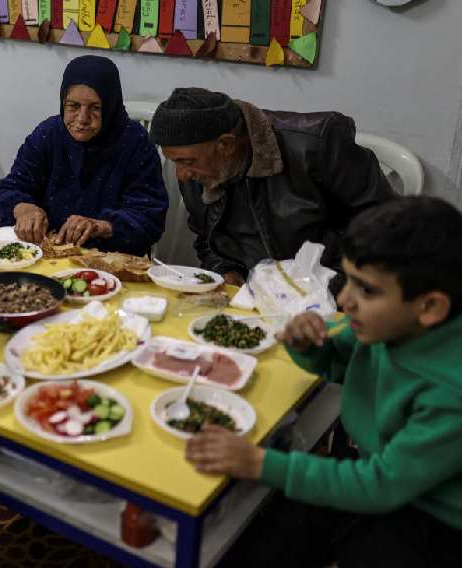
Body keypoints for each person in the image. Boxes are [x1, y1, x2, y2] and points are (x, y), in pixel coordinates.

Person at [184, 196, 462, 567]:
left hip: (427, 517)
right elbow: (338, 363)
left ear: (430, 308)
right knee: (256, 542)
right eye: (347, 280)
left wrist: (259, 463)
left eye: (366, 290)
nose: (344, 300)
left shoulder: (449, 393)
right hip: (364, 462)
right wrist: (309, 346)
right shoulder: (389, 325)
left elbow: (380, 486)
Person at [150, 88, 394, 287]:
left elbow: (382, 230)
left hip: (326, 292)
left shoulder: (316, 146)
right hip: (254, 295)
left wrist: (325, 285)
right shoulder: (198, 173)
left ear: (226, 145)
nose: (181, 175)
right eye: (175, 162)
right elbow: (207, 239)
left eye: (187, 162)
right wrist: (224, 271)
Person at [0, 55, 168, 257]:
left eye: (95, 108)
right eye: (73, 106)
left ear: (111, 106)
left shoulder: (135, 143)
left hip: (112, 262)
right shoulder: (49, 134)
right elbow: (5, 192)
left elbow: (149, 218)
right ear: (63, 102)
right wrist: (22, 208)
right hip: (50, 254)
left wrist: (102, 226)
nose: (82, 119)